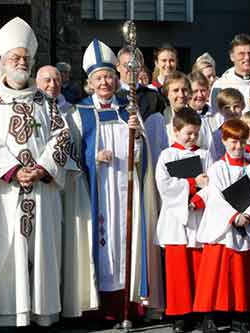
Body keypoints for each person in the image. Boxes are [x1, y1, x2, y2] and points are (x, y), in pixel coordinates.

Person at [0, 17, 81, 328]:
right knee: (5, 249)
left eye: (25, 58)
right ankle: (6, 313)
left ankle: (41, 313)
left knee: (42, 251)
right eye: (14, 58)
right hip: (5, 194)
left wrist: (43, 167)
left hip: (42, 189)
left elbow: (62, 136)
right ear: (3, 62)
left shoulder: (46, 102)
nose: (21, 62)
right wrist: (12, 170)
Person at [75, 38, 163, 322]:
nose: (105, 83)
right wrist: (92, 157)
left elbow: (141, 155)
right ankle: (99, 308)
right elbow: (73, 154)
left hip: (127, 189)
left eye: (109, 77)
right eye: (99, 78)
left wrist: (137, 136)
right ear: (90, 83)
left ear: (117, 79)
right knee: (99, 244)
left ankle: (129, 305)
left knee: (128, 241)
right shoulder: (81, 112)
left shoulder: (129, 108)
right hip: (97, 190)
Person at [192, 119, 250, 333]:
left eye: (242, 142)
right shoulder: (217, 168)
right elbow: (215, 196)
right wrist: (234, 216)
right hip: (223, 229)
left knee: (242, 275)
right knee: (215, 275)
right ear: (224, 141)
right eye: (233, 142)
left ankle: (241, 316)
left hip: (246, 226)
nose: (238, 147)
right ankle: (208, 317)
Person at [35, 64, 99, 319]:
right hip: (41, 186)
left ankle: (67, 303)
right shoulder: (30, 108)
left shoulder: (72, 111)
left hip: (69, 187)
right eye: (47, 80)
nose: (52, 84)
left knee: (68, 246)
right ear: (37, 82)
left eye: (57, 80)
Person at [155, 109, 210, 333]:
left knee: (199, 267)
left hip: (198, 217)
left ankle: (201, 311)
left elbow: (213, 184)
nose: (192, 138)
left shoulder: (205, 155)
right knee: (178, 270)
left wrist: (197, 199)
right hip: (175, 221)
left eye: (196, 134)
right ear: (175, 131)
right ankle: (180, 314)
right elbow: (164, 186)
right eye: (188, 133)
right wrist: (192, 183)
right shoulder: (167, 155)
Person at [115, 46, 168, 164]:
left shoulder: (153, 97)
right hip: (120, 160)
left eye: (135, 66)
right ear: (118, 67)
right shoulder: (112, 97)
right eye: (126, 66)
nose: (131, 70)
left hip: (149, 158)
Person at [210, 34, 250, 112]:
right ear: (232, 57)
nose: (247, 57)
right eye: (241, 54)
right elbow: (215, 115)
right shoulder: (221, 85)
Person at [208, 88, 246, 161]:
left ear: (243, 106)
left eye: (236, 106)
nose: (232, 111)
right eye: (227, 108)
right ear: (220, 110)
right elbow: (217, 158)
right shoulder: (218, 134)